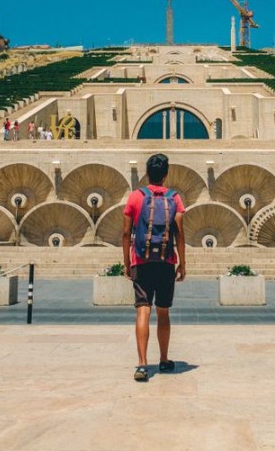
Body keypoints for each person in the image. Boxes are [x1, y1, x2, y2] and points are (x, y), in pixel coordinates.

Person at [122, 153, 185, 382]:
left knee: (143, 310)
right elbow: (180, 234)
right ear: (166, 174)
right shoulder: (174, 198)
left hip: (141, 261)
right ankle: (164, 359)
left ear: (147, 173)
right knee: (163, 311)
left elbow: (126, 233)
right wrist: (182, 263)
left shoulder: (135, 197)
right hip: (166, 262)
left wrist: (127, 262)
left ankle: (142, 364)